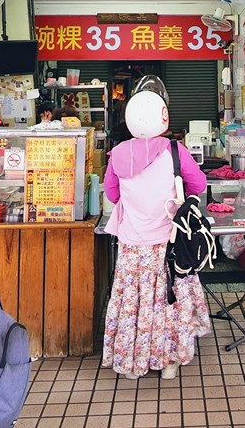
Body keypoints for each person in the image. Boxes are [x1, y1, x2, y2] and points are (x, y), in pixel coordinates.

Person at [102, 90, 211, 380]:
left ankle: (133, 362)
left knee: (133, 302)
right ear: (162, 117)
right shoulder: (175, 151)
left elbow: (112, 194)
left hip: (131, 244)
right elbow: (198, 184)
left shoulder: (117, 155)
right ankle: (169, 363)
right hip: (167, 243)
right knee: (167, 300)